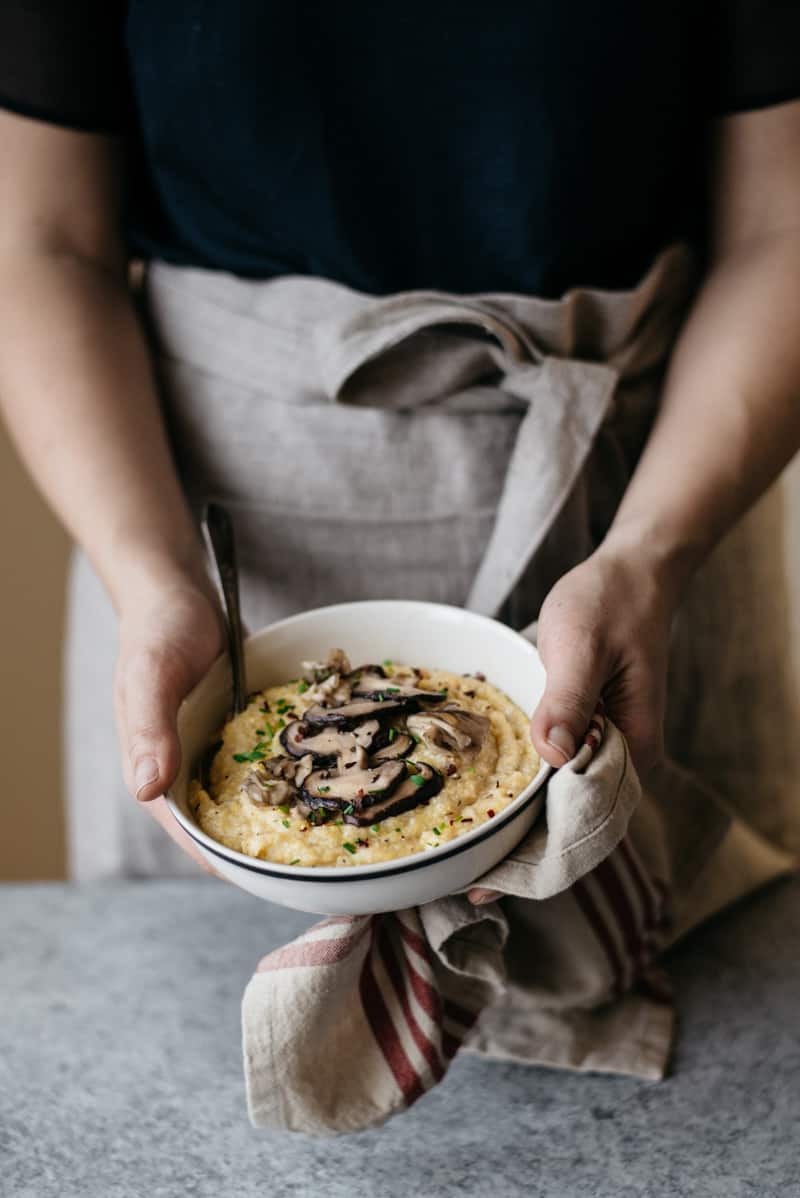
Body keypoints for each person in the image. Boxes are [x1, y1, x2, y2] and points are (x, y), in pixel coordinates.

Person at [0, 2, 799, 888]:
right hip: (186, 507)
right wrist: (152, 583)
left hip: (662, 485)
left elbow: (783, 224)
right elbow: (39, 241)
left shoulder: (657, 546)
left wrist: (652, 557)